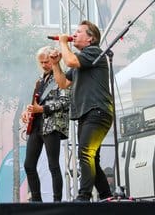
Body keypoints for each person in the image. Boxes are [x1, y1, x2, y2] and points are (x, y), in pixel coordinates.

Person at [50, 20, 114, 202]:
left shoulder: (93, 52)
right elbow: (63, 83)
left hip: (97, 110)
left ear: (90, 38)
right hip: (88, 113)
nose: (74, 35)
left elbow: (70, 60)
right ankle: (106, 196)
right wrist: (55, 64)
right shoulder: (82, 60)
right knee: (92, 157)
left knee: (85, 153)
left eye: (79, 32)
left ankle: (84, 196)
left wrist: (63, 42)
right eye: (74, 32)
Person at [21, 46, 70, 202]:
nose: (44, 65)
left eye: (47, 61)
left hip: (52, 125)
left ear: (54, 59)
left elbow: (65, 101)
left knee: (53, 165)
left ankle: (57, 201)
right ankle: (36, 200)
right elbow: (34, 103)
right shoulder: (39, 81)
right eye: (41, 62)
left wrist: (42, 108)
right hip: (36, 125)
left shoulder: (61, 77)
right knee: (29, 165)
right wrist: (27, 111)